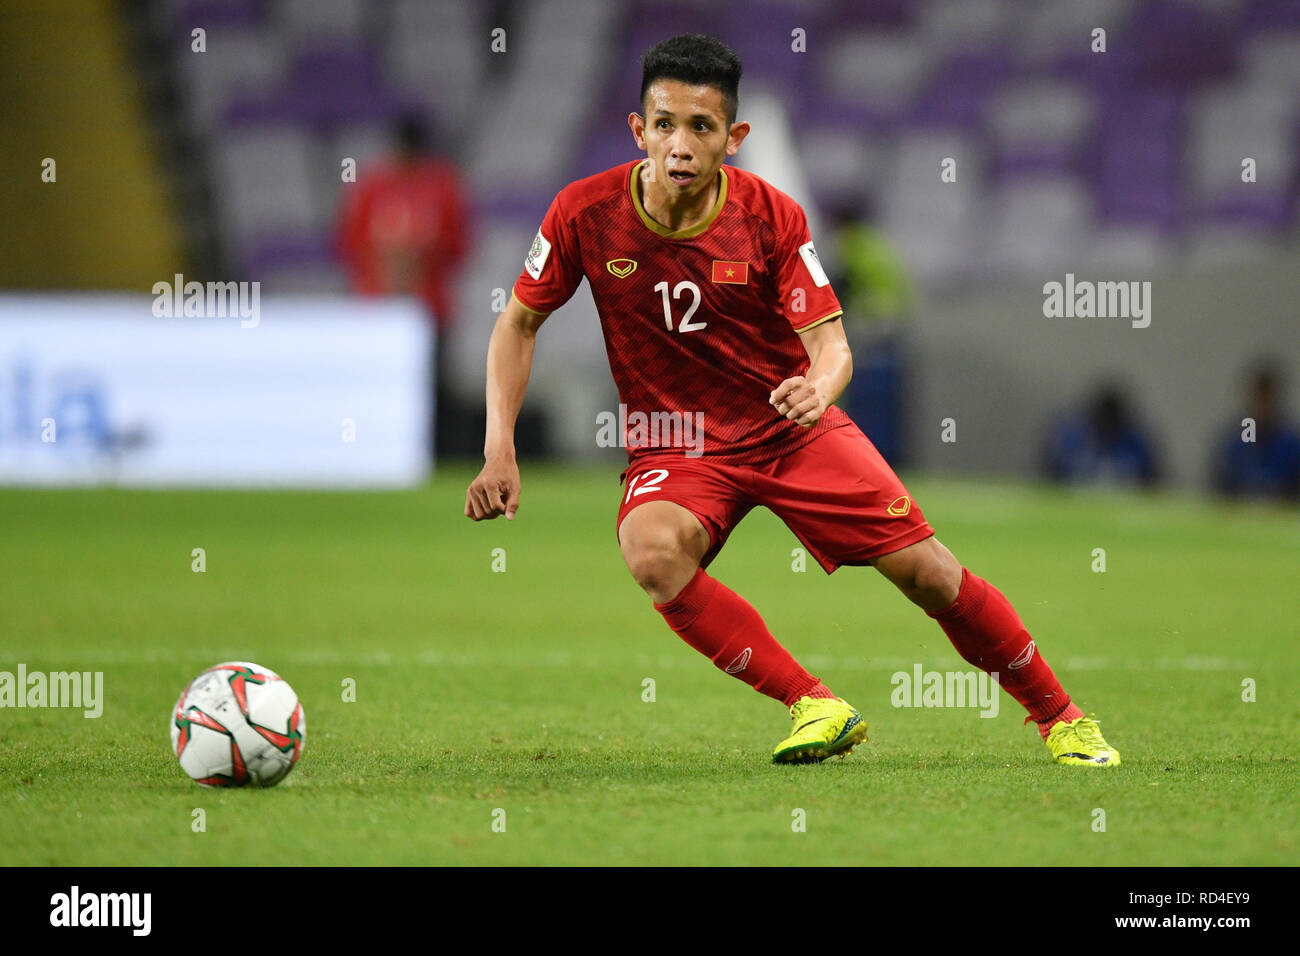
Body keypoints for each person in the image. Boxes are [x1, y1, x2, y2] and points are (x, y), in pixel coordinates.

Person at [465, 34, 1120, 767]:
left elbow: (833, 346)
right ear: (638, 129)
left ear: (734, 138)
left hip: (787, 429)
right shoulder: (583, 213)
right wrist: (500, 447)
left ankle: (1062, 718)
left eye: (702, 127)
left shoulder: (771, 214)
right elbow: (517, 322)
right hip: (675, 442)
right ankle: (814, 704)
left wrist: (820, 388)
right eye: (665, 124)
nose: (680, 144)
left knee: (930, 575)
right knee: (650, 550)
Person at [336, 113, 469, 456]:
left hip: (426, 308)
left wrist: (421, 263)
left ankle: (430, 455)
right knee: (383, 385)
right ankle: (379, 450)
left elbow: (459, 245)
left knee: (430, 386)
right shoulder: (376, 185)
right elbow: (349, 243)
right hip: (383, 309)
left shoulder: (439, 185)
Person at [1043, 385, 1160, 489]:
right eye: (1103, 421)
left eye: (1111, 423)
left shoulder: (1136, 445)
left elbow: (1153, 481)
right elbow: (1048, 475)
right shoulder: (1071, 442)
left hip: (1124, 507)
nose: (1106, 427)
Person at [1212, 363, 1300, 502]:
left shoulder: (1290, 444)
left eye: (1265, 400)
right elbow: (1221, 485)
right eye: (1257, 399)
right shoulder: (1236, 442)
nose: (1261, 407)